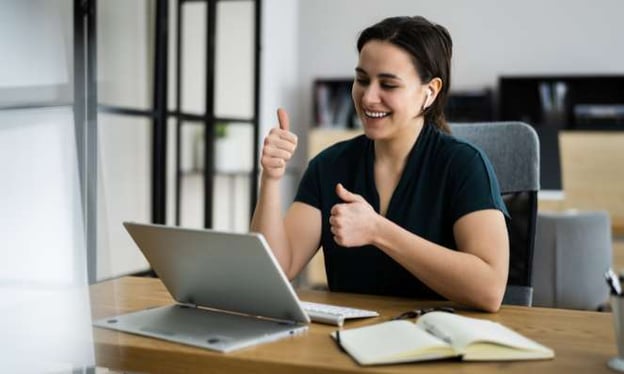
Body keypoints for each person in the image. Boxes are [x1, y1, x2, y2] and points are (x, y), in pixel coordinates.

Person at [251, 16, 509, 312]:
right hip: (346, 344)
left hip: (438, 343)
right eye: (362, 80)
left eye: (388, 84)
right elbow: (274, 272)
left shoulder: (464, 165)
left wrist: (378, 231)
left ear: (430, 91)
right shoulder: (328, 166)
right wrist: (270, 179)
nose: (368, 97)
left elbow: (489, 290)